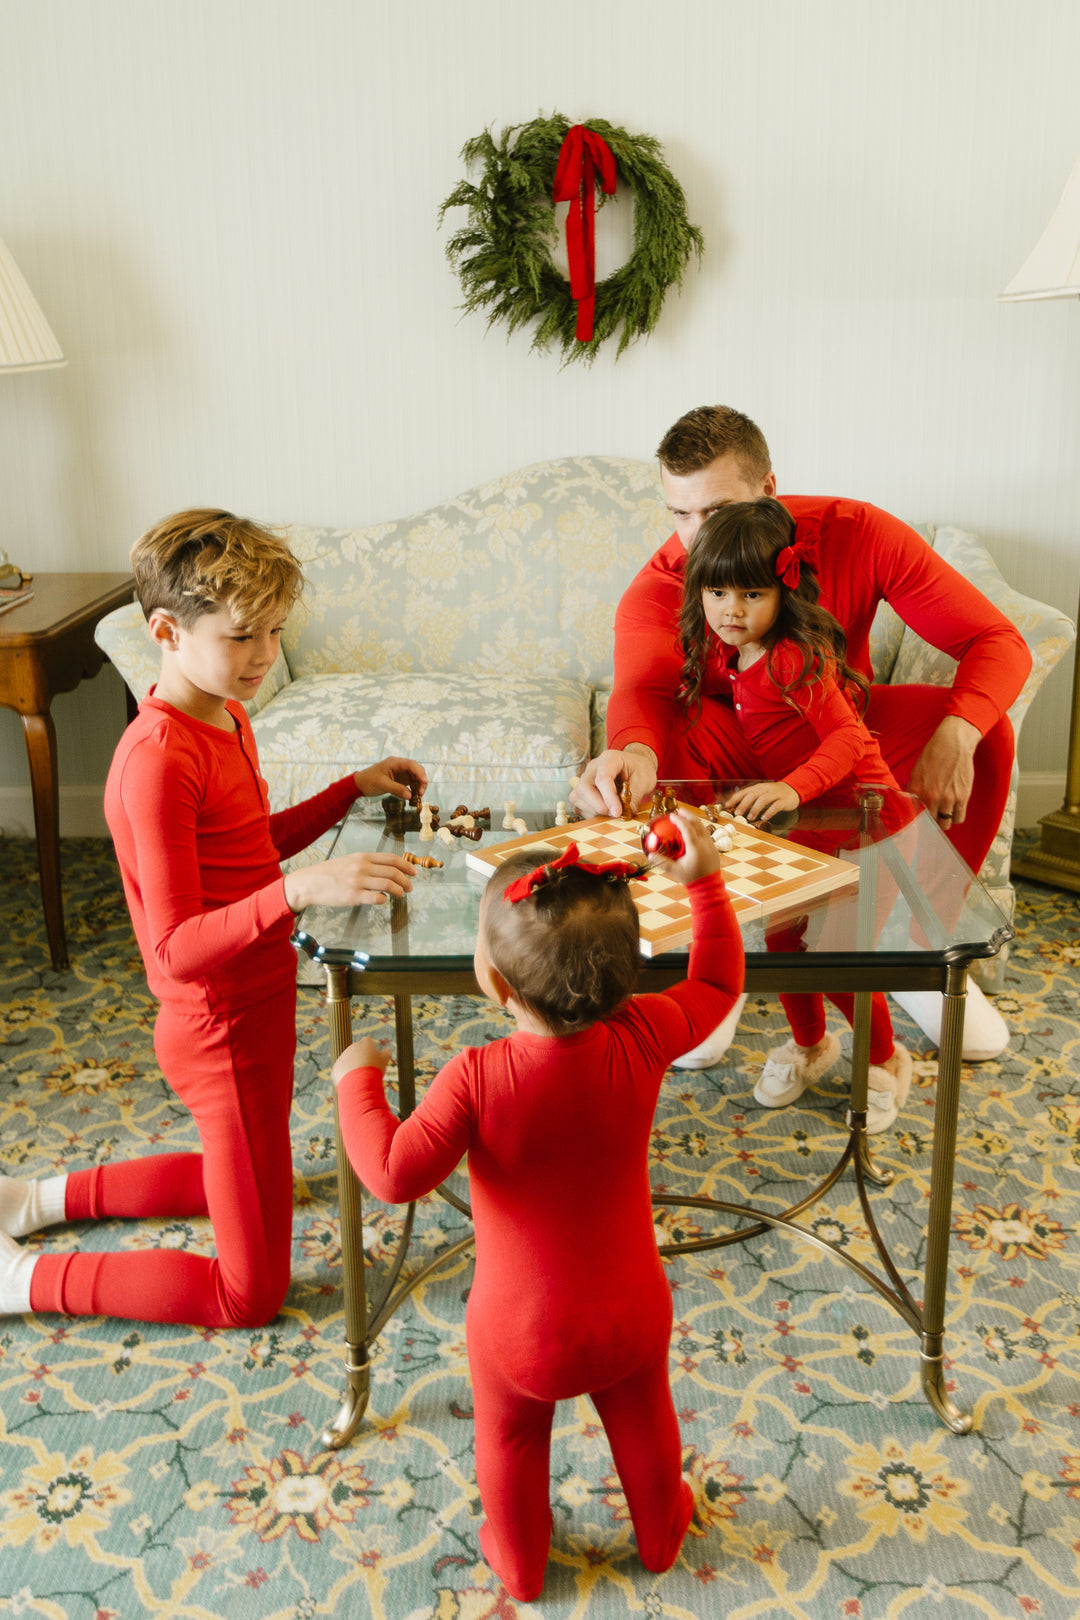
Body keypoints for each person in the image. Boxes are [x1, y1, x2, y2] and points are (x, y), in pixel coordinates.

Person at [0, 508, 426, 1325]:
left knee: (256, 1179)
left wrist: (346, 790)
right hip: (218, 1024)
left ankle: (31, 1198)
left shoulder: (226, 716)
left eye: (274, 631)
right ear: (165, 630)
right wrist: (299, 893)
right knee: (249, 1295)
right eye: (241, 637)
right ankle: (22, 1281)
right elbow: (173, 948)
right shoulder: (156, 762)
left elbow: (244, 849)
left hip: (258, 1001)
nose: (264, 655)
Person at [331, 812, 743, 1602]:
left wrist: (358, 1079)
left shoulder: (475, 1077)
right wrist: (706, 885)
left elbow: (389, 1173)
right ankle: (661, 1535)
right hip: (633, 1309)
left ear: (495, 983)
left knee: (511, 1440)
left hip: (519, 1333)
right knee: (645, 1418)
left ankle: (519, 1567)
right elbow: (719, 985)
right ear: (628, 974)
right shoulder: (647, 1031)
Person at [572, 405, 1032, 1065]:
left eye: (716, 509)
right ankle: (712, 956)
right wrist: (632, 750)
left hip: (833, 733)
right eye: (680, 515)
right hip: (723, 757)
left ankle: (915, 944)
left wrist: (959, 731)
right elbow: (642, 693)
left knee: (984, 732)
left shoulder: (857, 530)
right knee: (664, 738)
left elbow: (996, 640)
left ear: (768, 490)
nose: (696, 538)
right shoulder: (660, 584)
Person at [679, 495, 911, 1130]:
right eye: (718, 592)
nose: (731, 609)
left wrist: (788, 788)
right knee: (782, 942)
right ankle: (812, 1046)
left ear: (784, 593)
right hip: (812, 816)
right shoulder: (732, 650)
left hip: (863, 815)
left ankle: (887, 1060)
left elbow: (849, 740)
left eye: (751, 594)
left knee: (841, 953)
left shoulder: (790, 656)